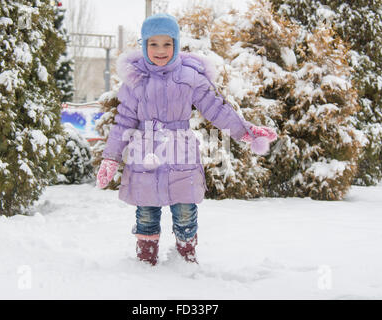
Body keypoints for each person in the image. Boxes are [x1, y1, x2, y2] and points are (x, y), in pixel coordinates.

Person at [97, 13, 277, 266]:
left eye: (167, 44)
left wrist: (245, 131)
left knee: (184, 211)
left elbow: (217, 108)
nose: (161, 50)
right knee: (146, 212)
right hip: (144, 155)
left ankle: (186, 259)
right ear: (144, 45)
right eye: (154, 44)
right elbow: (123, 122)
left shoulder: (190, 77)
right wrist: (110, 157)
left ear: (177, 44)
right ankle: (144, 263)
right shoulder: (135, 81)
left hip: (181, 153)